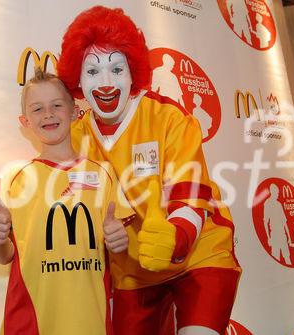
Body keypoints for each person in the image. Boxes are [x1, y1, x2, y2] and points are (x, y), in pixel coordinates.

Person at [57, 6, 241, 335]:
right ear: (78, 81)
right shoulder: (76, 135)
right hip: (134, 272)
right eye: (93, 72)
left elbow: (191, 193)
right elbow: (41, 180)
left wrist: (176, 237)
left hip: (198, 257)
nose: (107, 83)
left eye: (117, 68)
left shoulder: (168, 118)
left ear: (133, 73)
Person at [0, 68, 134, 335]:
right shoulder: (14, 177)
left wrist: (119, 242)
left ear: (74, 113)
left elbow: (119, 254)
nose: (48, 114)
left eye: (57, 105)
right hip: (29, 323)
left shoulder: (103, 173)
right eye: (37, 109)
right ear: (25, 121)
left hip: (89, 321)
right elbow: (5, 258)